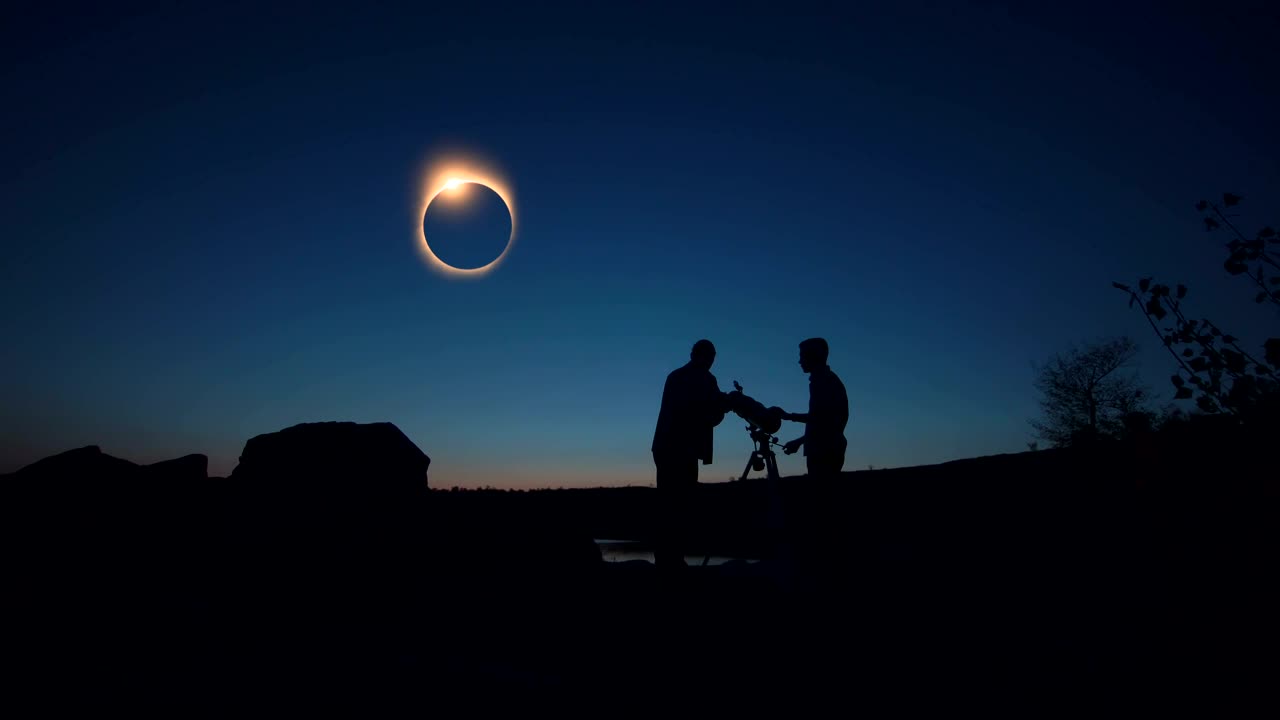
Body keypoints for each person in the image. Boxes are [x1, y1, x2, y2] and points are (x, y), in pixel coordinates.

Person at [651, 339, 729, 569]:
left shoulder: (676, 376)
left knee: (670, 505)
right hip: (679, 449)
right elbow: (704, 413)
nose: (711, 362)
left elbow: (701, 411)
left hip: (668, 447)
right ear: (702, 356)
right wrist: (723, 405)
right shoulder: (703, 379)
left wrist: (718, 405)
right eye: (710, 357)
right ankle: (671, 560)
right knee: (677, 505)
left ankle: (668, 558)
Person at [780, 338, 849, 478]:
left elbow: (820, 419)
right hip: (823, 450)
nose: (800, 361)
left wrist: (788, 416)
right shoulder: (823, 380)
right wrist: (799, 442)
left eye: (802, 357)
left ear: (813, 356)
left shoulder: (825, 382)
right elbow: (822, 423)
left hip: (825, 452)